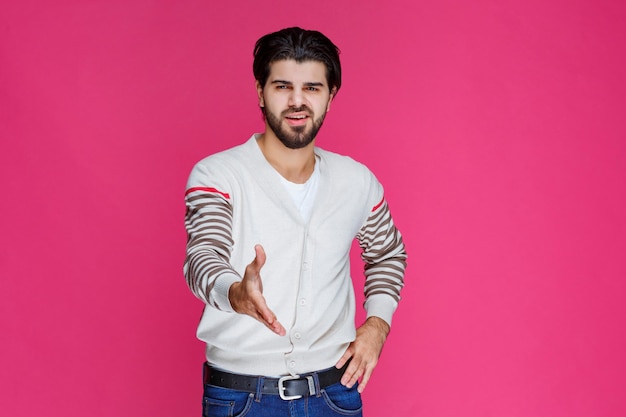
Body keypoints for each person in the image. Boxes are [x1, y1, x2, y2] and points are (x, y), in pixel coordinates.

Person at [184, 26, 407, 417]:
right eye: (283, 86)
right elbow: (203, 255)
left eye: (312, 88)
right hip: (240, 398)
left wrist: (378, 325)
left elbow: (388, 253)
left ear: (331, 96)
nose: (297, 101)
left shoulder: (356, 181)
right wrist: (236, 292)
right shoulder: (218, 175)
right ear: (260, 91)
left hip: (334, 396)